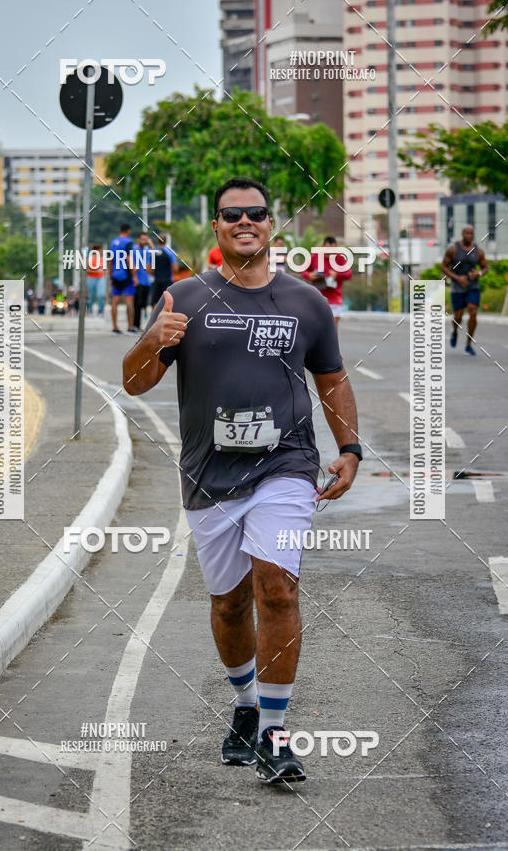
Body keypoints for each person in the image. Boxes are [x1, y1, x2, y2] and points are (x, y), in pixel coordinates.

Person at [123, 176, 361, 785]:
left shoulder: (306, 302)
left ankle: (277, 734)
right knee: (230, 604)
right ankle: (245, 707)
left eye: (256, 212)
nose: (245, 222)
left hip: (286, 466)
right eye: (232, 215)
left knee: (276, 588)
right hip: (209, 475)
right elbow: (134, 382)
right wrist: (152, 340)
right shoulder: (184, 299)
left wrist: (350, 448)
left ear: (271, 222)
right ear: (217, 226)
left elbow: (331, 379)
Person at [442, 224, 488, 356]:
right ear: (462, 234)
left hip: (473, 287)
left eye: (471, 233)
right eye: (466, 233)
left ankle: (468, 344)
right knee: (458, 317)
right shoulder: (453, 249)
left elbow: (485, 268)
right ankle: (455, 331)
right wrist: (458, 278)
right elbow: (444, 267)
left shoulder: (478, 251)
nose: (469, 236)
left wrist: (478, 274)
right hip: (457, 287)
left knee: (473, 311)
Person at [302, 236, 352, 329]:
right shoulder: (315, 257)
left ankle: (332, 344)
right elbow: (303, 271)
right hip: (317, 296)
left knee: (332, 326)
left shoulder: (339, 258)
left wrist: (338, 274)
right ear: (323, 246)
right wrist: (309, 275)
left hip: (335, 297)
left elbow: (349, 274)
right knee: (317, 326)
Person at [109, 224, 137, 334]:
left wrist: (111, 276)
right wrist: (134, 275)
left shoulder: (113, 242)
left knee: (114, 302)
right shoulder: (128, 242)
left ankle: (115, 327)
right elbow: (129, 258)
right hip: (126, 275)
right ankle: (130, 327)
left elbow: (110, 260)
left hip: (115, 274)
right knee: (129, 302)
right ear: (128, 231)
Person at [132, 231, 153, 331]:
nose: (144, 241)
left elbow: (155, 256)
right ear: (138, 239)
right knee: (137, 304)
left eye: (146, 239)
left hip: (146, 282)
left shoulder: (147, 251)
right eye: (143, 239)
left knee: (143, 305)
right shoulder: (133, 249)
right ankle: (135, 325)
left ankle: (139, 325)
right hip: (137, 281)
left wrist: (151, 244)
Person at [150, 233, 178, 306]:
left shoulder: (153, 253)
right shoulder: (170, 252)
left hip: (156, 280)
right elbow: (175, 268)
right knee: (167, 301)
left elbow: (149, 269)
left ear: (157, 240)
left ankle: (155, 317)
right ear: (166, 241)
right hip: (167, 280)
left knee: (155, 302)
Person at [86, 243, 106, 316]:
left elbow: (104, 269)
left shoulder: (102, 259)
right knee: (92, 295)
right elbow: (87, 270)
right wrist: (95, 270)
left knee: (101, 294)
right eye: (101, 250)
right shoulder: (90, 258)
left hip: (101, 278)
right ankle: (90, 309)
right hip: (91, 278)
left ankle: (100, 310)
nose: (102, 251)